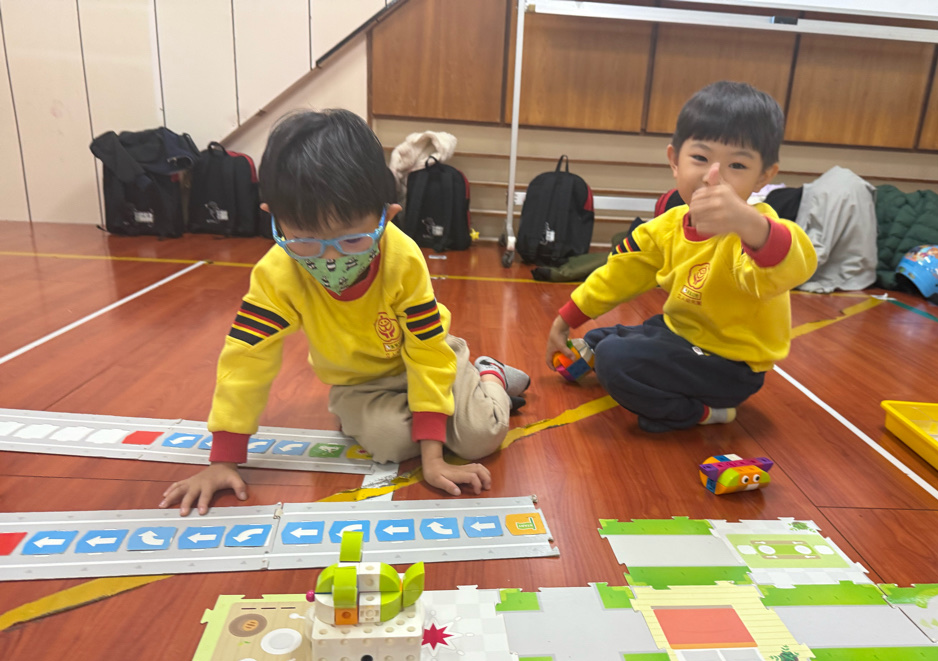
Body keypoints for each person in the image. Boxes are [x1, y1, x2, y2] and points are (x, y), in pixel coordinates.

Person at [161, 109, 528, 515]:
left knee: (481, 436)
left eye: (352, 241)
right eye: (305, 241)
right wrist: (223, 460)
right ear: (275, 221)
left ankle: (489, 372)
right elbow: (246, 359)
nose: (330, 259)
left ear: (387, 216)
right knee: (391, 442)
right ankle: (399, 412)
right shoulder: (277, 274)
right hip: (360, 383)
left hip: (429, 355)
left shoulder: (403, 259)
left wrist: (434, 458)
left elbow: (426, 353)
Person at [545, 81, 815, 433]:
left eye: (737, 165)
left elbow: (792, 266)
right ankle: (600, 355)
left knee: (614, 358)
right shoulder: (666, 227)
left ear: (764, 176)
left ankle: (702, 412)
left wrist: (750, 224)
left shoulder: (755, 229)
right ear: (675, 161)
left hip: (729, 365)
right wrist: (564, 320)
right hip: (680, 335)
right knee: (605, 338)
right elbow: (618, 274)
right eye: (700, 158)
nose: (712, 176)